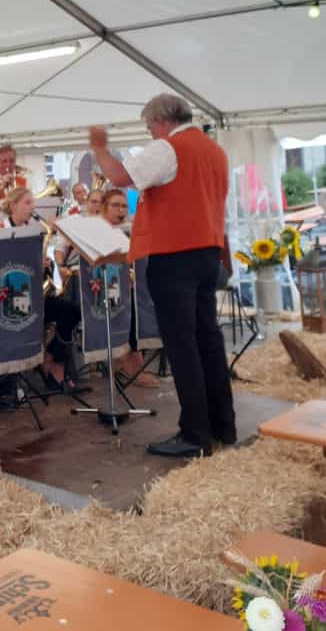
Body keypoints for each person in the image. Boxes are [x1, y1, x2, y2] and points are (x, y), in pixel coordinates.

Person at [90, 93, 234, 458]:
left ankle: (195, 433)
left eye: (149, 126)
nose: (149, 133)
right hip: (207, 252)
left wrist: (99, 148)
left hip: (174, 256)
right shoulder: (214, 150)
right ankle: (223, 424)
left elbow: (119, 176)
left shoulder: (169, 148)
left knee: (183, 345)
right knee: (208, 340)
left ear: (161, 121)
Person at [0, 187, 81, 386]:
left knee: (71, 311)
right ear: (13, 205)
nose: (32, 207)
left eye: (33, 203)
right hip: (9, 297)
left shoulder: (35, 231)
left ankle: (52, 357)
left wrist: (45, 264)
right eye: (27, 203)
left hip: (34, 294)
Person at [99, 188, 158, 389]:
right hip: (103, 287)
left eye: (124, 206)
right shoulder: (98, 229)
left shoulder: (130, 229)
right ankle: (130, 365)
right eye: (115, 205)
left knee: (139, 304)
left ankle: (134, 361)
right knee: (128, 305)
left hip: (129, 285)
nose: (121, 210)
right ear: (105, 207)